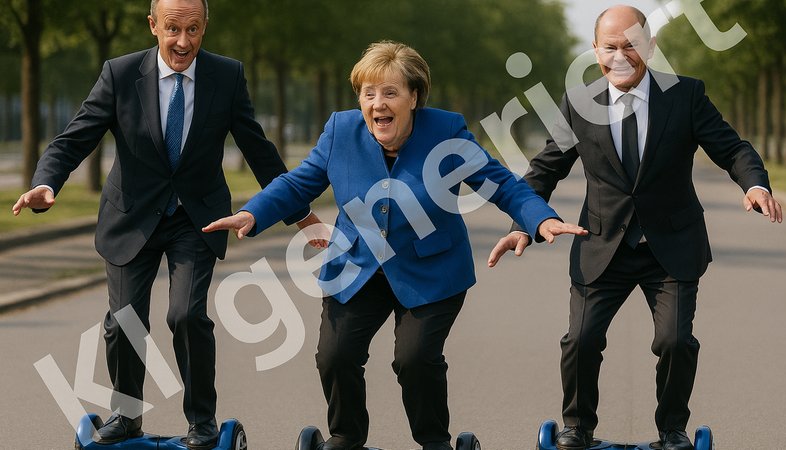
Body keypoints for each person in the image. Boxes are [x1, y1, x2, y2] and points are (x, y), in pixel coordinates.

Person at [203, 41, 587, 450]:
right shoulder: (340, 131)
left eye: (390, 93)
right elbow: (299, 183)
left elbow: (503, 184)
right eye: (368, 93)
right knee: (335, 356)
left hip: (431, 272)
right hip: (357, 266)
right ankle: (347, 435)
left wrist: (540, 218)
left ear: (414, 97)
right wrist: (254, 213)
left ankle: (433, 439)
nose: (377, 104)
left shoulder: (446, 133)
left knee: (415, 358)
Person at [11, 0, 320, 448]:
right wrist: (45, 183)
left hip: (197, 219)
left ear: (204, 27)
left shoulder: (226, 76)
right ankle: (126, 416)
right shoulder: (119, 74)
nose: (183, 41)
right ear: (153, 25)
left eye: (193, 29)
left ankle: (201, 421)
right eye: (173, 28)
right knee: (124, 319)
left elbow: (258, 148)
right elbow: (75, 137)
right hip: (130, 215)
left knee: (187, 314)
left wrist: (300, 214)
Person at [488, 5, 783, 450]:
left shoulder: (685, 95)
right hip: (601, 244)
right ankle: (577, 426)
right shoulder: (577, 104)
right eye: (611, 47)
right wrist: (524, 223)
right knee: (581, 341)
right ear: (595, 50)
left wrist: (755, 183)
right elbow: (544, 169)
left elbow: (732, 147)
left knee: (675, 342)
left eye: (632, 45)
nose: (621, 55)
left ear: (651, 46)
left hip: (672, 245)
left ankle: (672, 430)